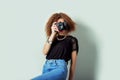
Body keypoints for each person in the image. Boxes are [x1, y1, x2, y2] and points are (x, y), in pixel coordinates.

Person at [32, 12, 79, 80]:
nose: (60, 26)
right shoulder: (51, 39)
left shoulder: (72, 40)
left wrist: (70, 79)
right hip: (46, 66)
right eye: (58, 24)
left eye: (63, 23)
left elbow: (73, 63)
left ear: (67, 24)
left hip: (60, 67)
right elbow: (45, 52)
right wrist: (53, 34)